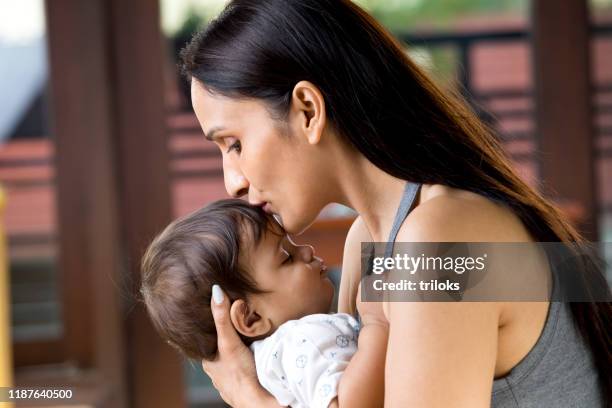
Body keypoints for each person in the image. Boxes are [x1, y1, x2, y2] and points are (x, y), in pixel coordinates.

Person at [178, 0, 612, 406]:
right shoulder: (366, 238)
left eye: (233, 143)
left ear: (308, 111)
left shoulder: (440, 238)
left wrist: (247, 396)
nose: (231, 182)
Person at [140, 199, 385, 408]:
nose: (307, 251)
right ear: (251, 318)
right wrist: (377, 324)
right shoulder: (303, 340)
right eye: (287, 258)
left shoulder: (278, 358)